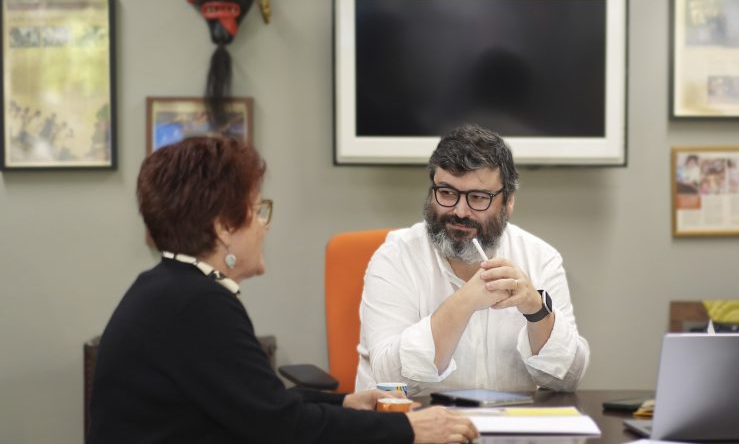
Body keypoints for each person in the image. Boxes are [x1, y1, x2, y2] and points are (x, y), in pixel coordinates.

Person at [88, 136, 478, 444]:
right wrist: (409, 430)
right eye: (258, 210)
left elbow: (257, 402)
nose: (265, 225)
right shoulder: (197, 304)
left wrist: (345, 402)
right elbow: (281, 426)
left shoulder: (169, 289)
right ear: (223, 228)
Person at [356, 124, 590, 395]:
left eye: (478, 198)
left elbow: (568, 379)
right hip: (418, 419)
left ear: (509, 201)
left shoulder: (540, 258)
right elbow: (389, 379)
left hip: (511, 420)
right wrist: (466, 301)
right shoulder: (395, 258)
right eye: (447, 193)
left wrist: (537, 310)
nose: (460, 211)